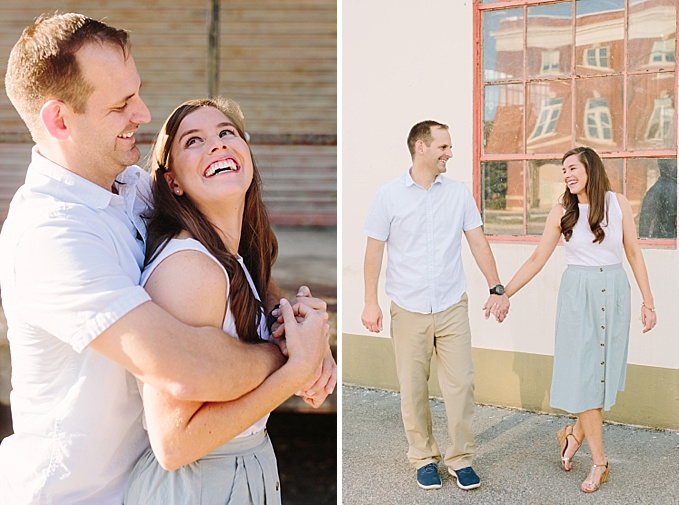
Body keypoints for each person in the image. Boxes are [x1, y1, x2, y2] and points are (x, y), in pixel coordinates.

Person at [0, 13, 334, 504]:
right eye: (121, 105)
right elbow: (182, 366)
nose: (143, 112)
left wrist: (284, 317)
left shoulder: (132, 186)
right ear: (59, 120)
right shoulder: (52, 236)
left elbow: (229, 245)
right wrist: (289, 358)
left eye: (137, 92)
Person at [123, 97, 327, 504]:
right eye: (193, 141)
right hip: (198, 485)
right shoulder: (189, 271)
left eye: (226, 133)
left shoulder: (230, 256)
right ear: (173, 183)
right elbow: (173, 445)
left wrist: (294, 328)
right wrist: (296, 369)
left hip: (236, 474)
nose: (216, 145)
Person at [361, 120, 510, 491]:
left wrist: (496, 287)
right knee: (412, 389)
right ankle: (424, 458)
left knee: (462, 385)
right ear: (421, 147)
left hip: (451, 306)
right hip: (408, 308)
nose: (450, 153)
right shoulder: (388, 196)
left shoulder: (458, 193)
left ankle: (461, 459)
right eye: (443, 146)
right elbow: (373, 253)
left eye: (450, 146)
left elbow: (477, 242)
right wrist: (370, 302)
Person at [503, 146, 657, 493]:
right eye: (563, 170)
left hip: (614, 290)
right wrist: (504, 292)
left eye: (572, 168)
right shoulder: (562, 211)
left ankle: (573, 434)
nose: (567, 175)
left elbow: (633, 251)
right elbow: (537, 259)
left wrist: (649, 301)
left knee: (599, 376)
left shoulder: (617, 203)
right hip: (578, 295)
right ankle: (600, 463)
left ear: (590, 168)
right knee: (586, 378)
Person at [638, 158, 677, 239]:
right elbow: (645, 221)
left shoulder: (655, 189)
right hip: (666, 239)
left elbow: (644, 223)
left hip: (661, 239)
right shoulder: (669, 188)